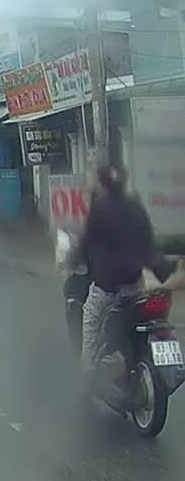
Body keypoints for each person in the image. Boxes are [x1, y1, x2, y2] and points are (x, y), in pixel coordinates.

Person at [69, 164, 176, 390]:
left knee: (90, 318)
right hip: (134, 287)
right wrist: (163, 268)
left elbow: (86, 241)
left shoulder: (100, 207)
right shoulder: (135, 207)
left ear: (103, 183)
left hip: (108, 288)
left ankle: (86, 376)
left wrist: (72, 261)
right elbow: (149, 243)